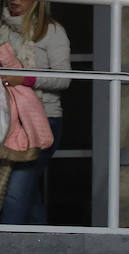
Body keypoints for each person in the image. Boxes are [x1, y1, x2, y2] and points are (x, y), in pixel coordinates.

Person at [0, 0, 70, 225]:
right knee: (28, 200)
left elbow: (64, 78)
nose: (14, 0)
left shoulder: (52, 31)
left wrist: (25, 78)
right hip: (8, 120)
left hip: (42, 121)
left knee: (15, 195)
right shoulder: (2, 28)